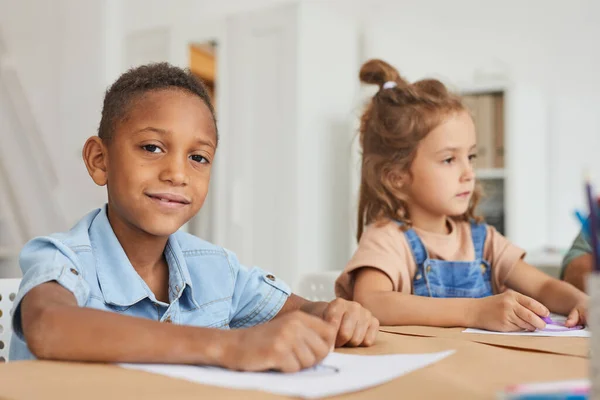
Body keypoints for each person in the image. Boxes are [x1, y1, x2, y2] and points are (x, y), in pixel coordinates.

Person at [9, 63, 378, 372]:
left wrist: (336, 314)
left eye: (197, 157)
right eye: (152, 148)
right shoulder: (62, 258)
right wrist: (228, 346)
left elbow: (303, 311)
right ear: (99, 160)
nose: (178, 174)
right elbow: (48, 325)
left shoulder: (216, 269)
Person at [335, 59, 587, 332]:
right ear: (397, 176)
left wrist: (584, 301)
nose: (468, 172)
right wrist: (474, 311)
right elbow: (371, 302)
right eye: (448, 160)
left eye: (470, 156)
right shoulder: (387, 239)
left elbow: (543, 285)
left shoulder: (484, 239)